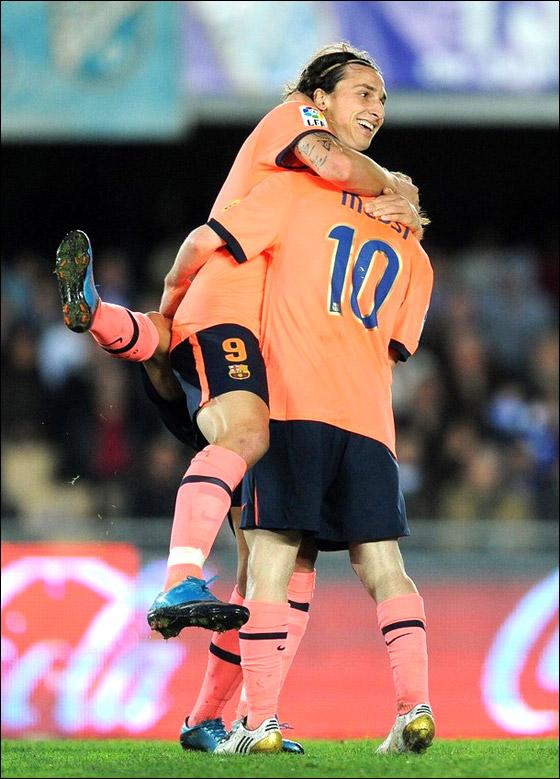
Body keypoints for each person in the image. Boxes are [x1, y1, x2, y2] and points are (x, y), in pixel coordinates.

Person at [55, 42, 425, 636]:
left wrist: (168, 317)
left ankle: (101, 315)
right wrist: (396, 186)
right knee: (249, 443)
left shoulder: (319, 192)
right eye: (364, 93)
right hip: (235, 312)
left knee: (256, 563)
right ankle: (180, 579)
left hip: (251, 337)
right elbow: (324, 174)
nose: (377, 109)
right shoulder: (296, 121)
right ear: (320, 97)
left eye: (382, 99)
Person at [177, 163, 434, 755]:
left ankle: (258, 722)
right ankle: (413, 707)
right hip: (370, 423)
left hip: (293, 407)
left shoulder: (297, 194)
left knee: (271, 561)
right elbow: (398, 344)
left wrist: (173, 297)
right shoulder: (415, 255)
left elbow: (208, 243)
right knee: (385, 566)